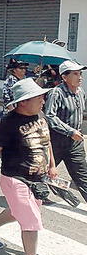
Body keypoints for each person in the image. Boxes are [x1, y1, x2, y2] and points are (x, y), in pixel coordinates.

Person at [0, 78, 56, 255]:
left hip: (37, 179)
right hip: (14, 178)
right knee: (31, 219)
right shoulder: (7, 124)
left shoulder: (40, 115)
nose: (43, 99)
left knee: (16, 212)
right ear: (23, 102)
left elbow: (46, 141)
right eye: (38, 96)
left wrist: (52, 165)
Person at [44, 60, 87, 203]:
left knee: (82, 174)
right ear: (64, 77)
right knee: (42, 170)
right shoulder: (56, 93)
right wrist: (70, 131)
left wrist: (75, 133)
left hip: (75, 143)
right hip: (56, 141)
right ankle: (38, 195)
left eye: (80, 73)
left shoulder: (81, 92)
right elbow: (50, 116)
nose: (80, 77)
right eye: (75, 74)